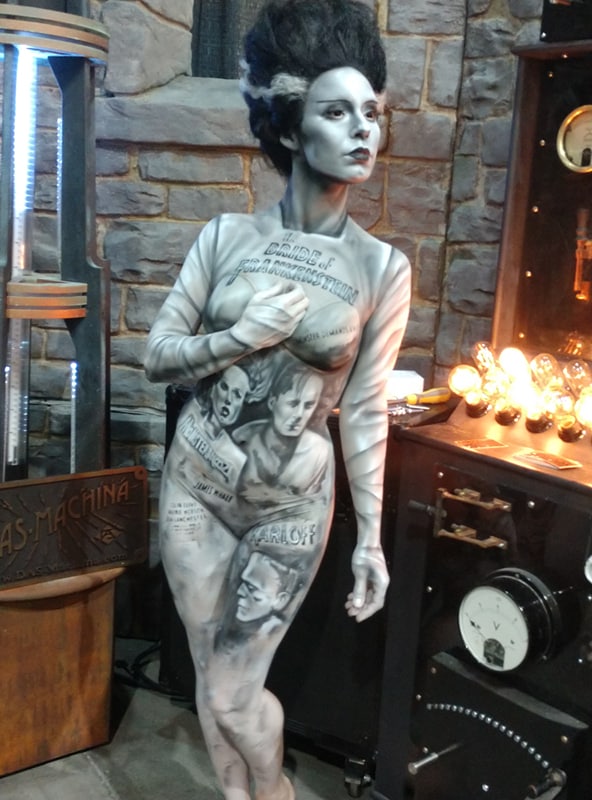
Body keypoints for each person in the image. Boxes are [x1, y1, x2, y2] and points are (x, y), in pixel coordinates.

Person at [144, 1, 412, 798]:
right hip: (196, 486)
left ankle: (275, 793)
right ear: (291, 129)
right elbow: (159, 356)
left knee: (234, 688)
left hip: (290, 505)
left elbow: (364, 407)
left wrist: (371, 539)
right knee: (208, 671)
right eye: (337, 112)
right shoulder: (225, 237)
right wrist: (238, 336)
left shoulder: (382, 268)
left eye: (371, 113)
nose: (363, 130)